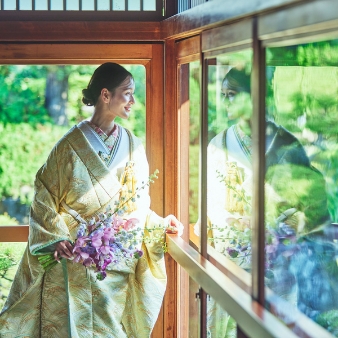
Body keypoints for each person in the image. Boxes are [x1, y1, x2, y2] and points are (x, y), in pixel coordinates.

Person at [0, 62, 183, 337]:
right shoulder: (69, 144)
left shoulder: (132, 144)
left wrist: (159, 224)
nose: (133, 101)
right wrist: (55, 238)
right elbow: (44, 195)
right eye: (127, 93)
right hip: (72, 258)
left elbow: (137, 204)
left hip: (112, 262)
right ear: (106, 95)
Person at [201, 67, 337, 337]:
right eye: (224, 95)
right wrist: (239, 228)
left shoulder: (286, 143)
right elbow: (212, 206)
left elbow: (310, 205)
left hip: (281, 264)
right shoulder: (219, 143)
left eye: (233, 94)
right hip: (236, 258)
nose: (227, 102)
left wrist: (285, 225)